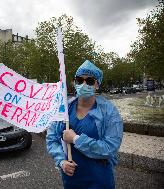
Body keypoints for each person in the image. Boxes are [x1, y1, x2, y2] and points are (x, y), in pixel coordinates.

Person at [46, 60, 123, 189]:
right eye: (79, 80)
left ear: (97, 85)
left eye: (90, 81)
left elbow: (110, 147)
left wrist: (76, 139)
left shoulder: (109, 112)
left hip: (99, 180)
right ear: (75, 83)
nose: (84, 84)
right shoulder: (64, 110)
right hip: (72, 180)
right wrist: (61, 161)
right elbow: (52, 139)